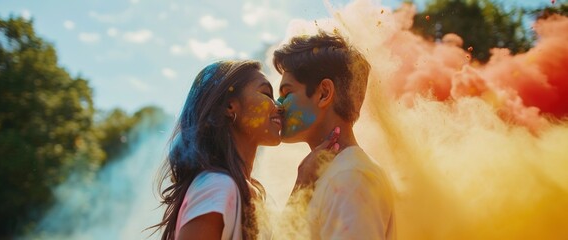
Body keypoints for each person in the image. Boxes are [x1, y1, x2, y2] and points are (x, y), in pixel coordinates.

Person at [151, 60, 339, 240]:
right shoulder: (217, 187)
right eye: (266, 93)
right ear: (230, 106)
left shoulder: (247, 191)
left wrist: (304, 181)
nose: (280, 106)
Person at [273, 30, 397, 239]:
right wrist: (300, 186)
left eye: (287, 93)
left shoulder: (352, 177)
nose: (278, 106)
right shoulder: (331, 173)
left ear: (324, 93)